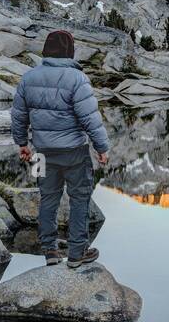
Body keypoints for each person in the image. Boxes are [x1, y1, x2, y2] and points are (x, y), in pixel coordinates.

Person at [10, 29, 110, 268]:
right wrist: (102, 147)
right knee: (79, 199)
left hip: (42, 153)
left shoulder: (29, 78)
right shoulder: (77, 79)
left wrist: (23, 143)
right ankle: (77, 253)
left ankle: (50, 251)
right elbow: (90, 119)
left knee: (48, 199)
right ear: (69, 52)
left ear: (46, 50)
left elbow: (18, 115)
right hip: (73, 151)